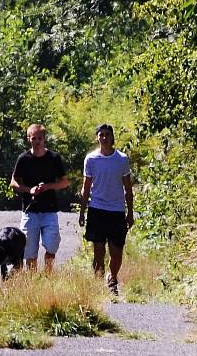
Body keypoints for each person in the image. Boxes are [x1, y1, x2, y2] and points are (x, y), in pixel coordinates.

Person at [79, 123, 134, 295]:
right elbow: (86, 188)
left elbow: (128, 188)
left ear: (112, 137)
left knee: (116, 252)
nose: (104, 137)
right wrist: (82, 212)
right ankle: (98, 286)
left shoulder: (122, 159)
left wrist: (130, 213)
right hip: (97, 209)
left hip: (116, 211)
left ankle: (113, 277)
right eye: (101, 134)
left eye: (107, 134)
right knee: (98, 250)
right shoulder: (91, 159)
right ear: (97, 137)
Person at [10, 124, 69, 271]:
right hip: (30, 211)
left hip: (50, 211)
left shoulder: (54, 158)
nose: (37, 141)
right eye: (34, 138)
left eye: (40, 138)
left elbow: (64, 182)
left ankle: (48, 275)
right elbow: (13, 182)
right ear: (28, 139)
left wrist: (48, 187)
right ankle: (33, 280)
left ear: (44, 139)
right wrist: (29, 190)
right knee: (29, 250)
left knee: (52, 246)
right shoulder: (23, 159)